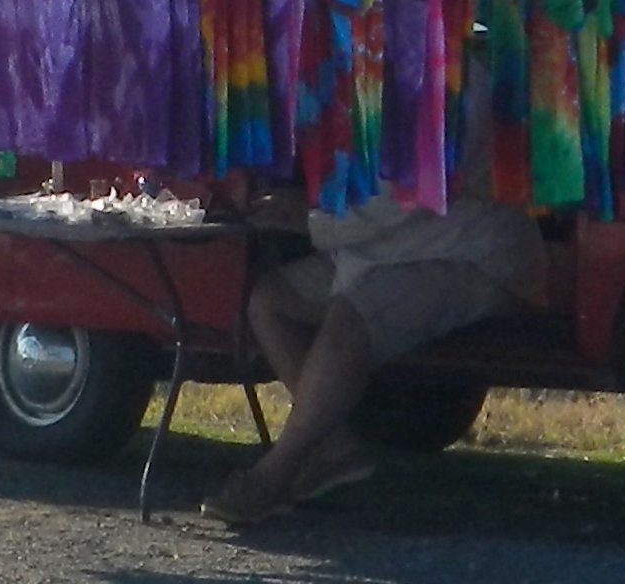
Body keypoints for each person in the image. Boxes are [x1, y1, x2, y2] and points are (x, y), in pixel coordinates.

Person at [206, 191, 547, 528]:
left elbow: (401, 198)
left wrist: (307, 220)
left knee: (350, 319)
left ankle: (276, 472)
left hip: (467, 252)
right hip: (376, 249)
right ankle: (335, 449)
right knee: (269, 300)